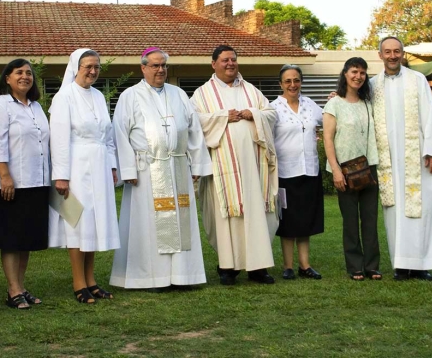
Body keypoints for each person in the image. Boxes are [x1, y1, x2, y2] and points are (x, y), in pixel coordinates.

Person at [109, 47, 212, 290]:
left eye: (163, 65)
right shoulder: (130, 96)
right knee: (149, 225)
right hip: (147, 169)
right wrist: (128, 170)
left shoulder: (178, 94)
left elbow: (194, 130)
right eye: (155, 65)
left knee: (180, 220)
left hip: (177, 166)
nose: (160, 69)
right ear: (143, 68)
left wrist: (196, 163)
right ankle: (151, 277)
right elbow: (120, 134)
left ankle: (182, 276)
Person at [191, 45, 279, 285]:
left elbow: (272, 113)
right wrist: (222, 117)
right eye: (224, 60)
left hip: (253, 166)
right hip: (221, 167)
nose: (230, 64)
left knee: (256, 212)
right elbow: (194, 121)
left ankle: (258, 267)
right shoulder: (202, 93)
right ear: (213, 64)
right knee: (225, 216)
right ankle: (228, 268)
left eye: (233, 60)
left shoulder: (251, 90)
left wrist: (253, 113)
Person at [49, 48, 120, 304]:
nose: (92, 71)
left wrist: (112, 166)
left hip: (99, 166)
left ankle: (91, 280)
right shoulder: (64, 97)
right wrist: (61, 176)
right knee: (76, 222)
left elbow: (108, 135)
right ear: (75, 67)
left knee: (95, 223)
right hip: (75, 167)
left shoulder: (99, 96)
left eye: (96, 67)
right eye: (87, 66)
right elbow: (58, 139)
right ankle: (78, 281)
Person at [372, 36, 432, 281]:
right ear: (380, 55)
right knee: (394, 213)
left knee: (421, 209)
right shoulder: (372, 85)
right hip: (388, 162)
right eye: (388, 51)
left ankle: (421, 264)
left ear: (402, 54)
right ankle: (401, 265)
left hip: (419, 157)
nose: (393, 56)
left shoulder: (418, 80)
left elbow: (430, 115)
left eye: (397, 51)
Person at [0, 59, 50, 310]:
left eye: (29, 73)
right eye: (19, 72)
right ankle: (12, 290)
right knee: (12, 238)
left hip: (37, 181)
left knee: (26, 238)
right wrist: (5, 175)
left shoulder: (35, 107)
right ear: (7, 78)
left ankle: (21, 286)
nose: (25, 76)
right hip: (12, 183)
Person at [323, 57, 381, 281]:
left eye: (363, 73)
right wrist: (336, 171)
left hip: (368, 169)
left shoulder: (368, 104)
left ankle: (372, 266)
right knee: (350, 221)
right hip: (345, 171)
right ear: (345, 74)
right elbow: (327, 139)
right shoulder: (334, 104)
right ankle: (355, 266)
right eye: (354, 72)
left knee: (370, 219)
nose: (358, 76)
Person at [271, 65, 324, 280]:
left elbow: (329, 120)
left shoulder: (311, 105)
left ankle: (305, 265)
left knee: (305, 220)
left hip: (309, 170)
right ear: (281, 84)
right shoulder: (272, 108)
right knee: (288, 221)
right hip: (285, 171)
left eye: (296, 80)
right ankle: (288, 266)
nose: (293, 85)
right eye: (288, 81)